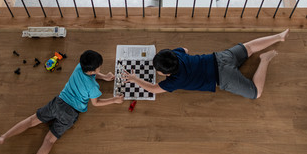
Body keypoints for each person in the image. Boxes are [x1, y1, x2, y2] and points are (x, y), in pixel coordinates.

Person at [0, 50, 123, 154]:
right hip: (70, 113)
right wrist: (114, 100)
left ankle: (3, 137)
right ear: (94, 69)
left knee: (31, 121)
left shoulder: (79, 66)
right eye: (99, 66)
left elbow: (91, 74)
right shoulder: (93, 87)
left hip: (58, 102)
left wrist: (104, 76)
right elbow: (96, 103)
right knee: (49, 140)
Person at [123, 30, 289, 100]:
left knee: (256, 93)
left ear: (166, 73)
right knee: (250, 47)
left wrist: (135, 78)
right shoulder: (178, 54)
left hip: (223, 77)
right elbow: (186, 49)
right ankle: (278, 37)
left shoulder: (175, 81)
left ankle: (265, 59)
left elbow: (153, 89)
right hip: (220, 57)